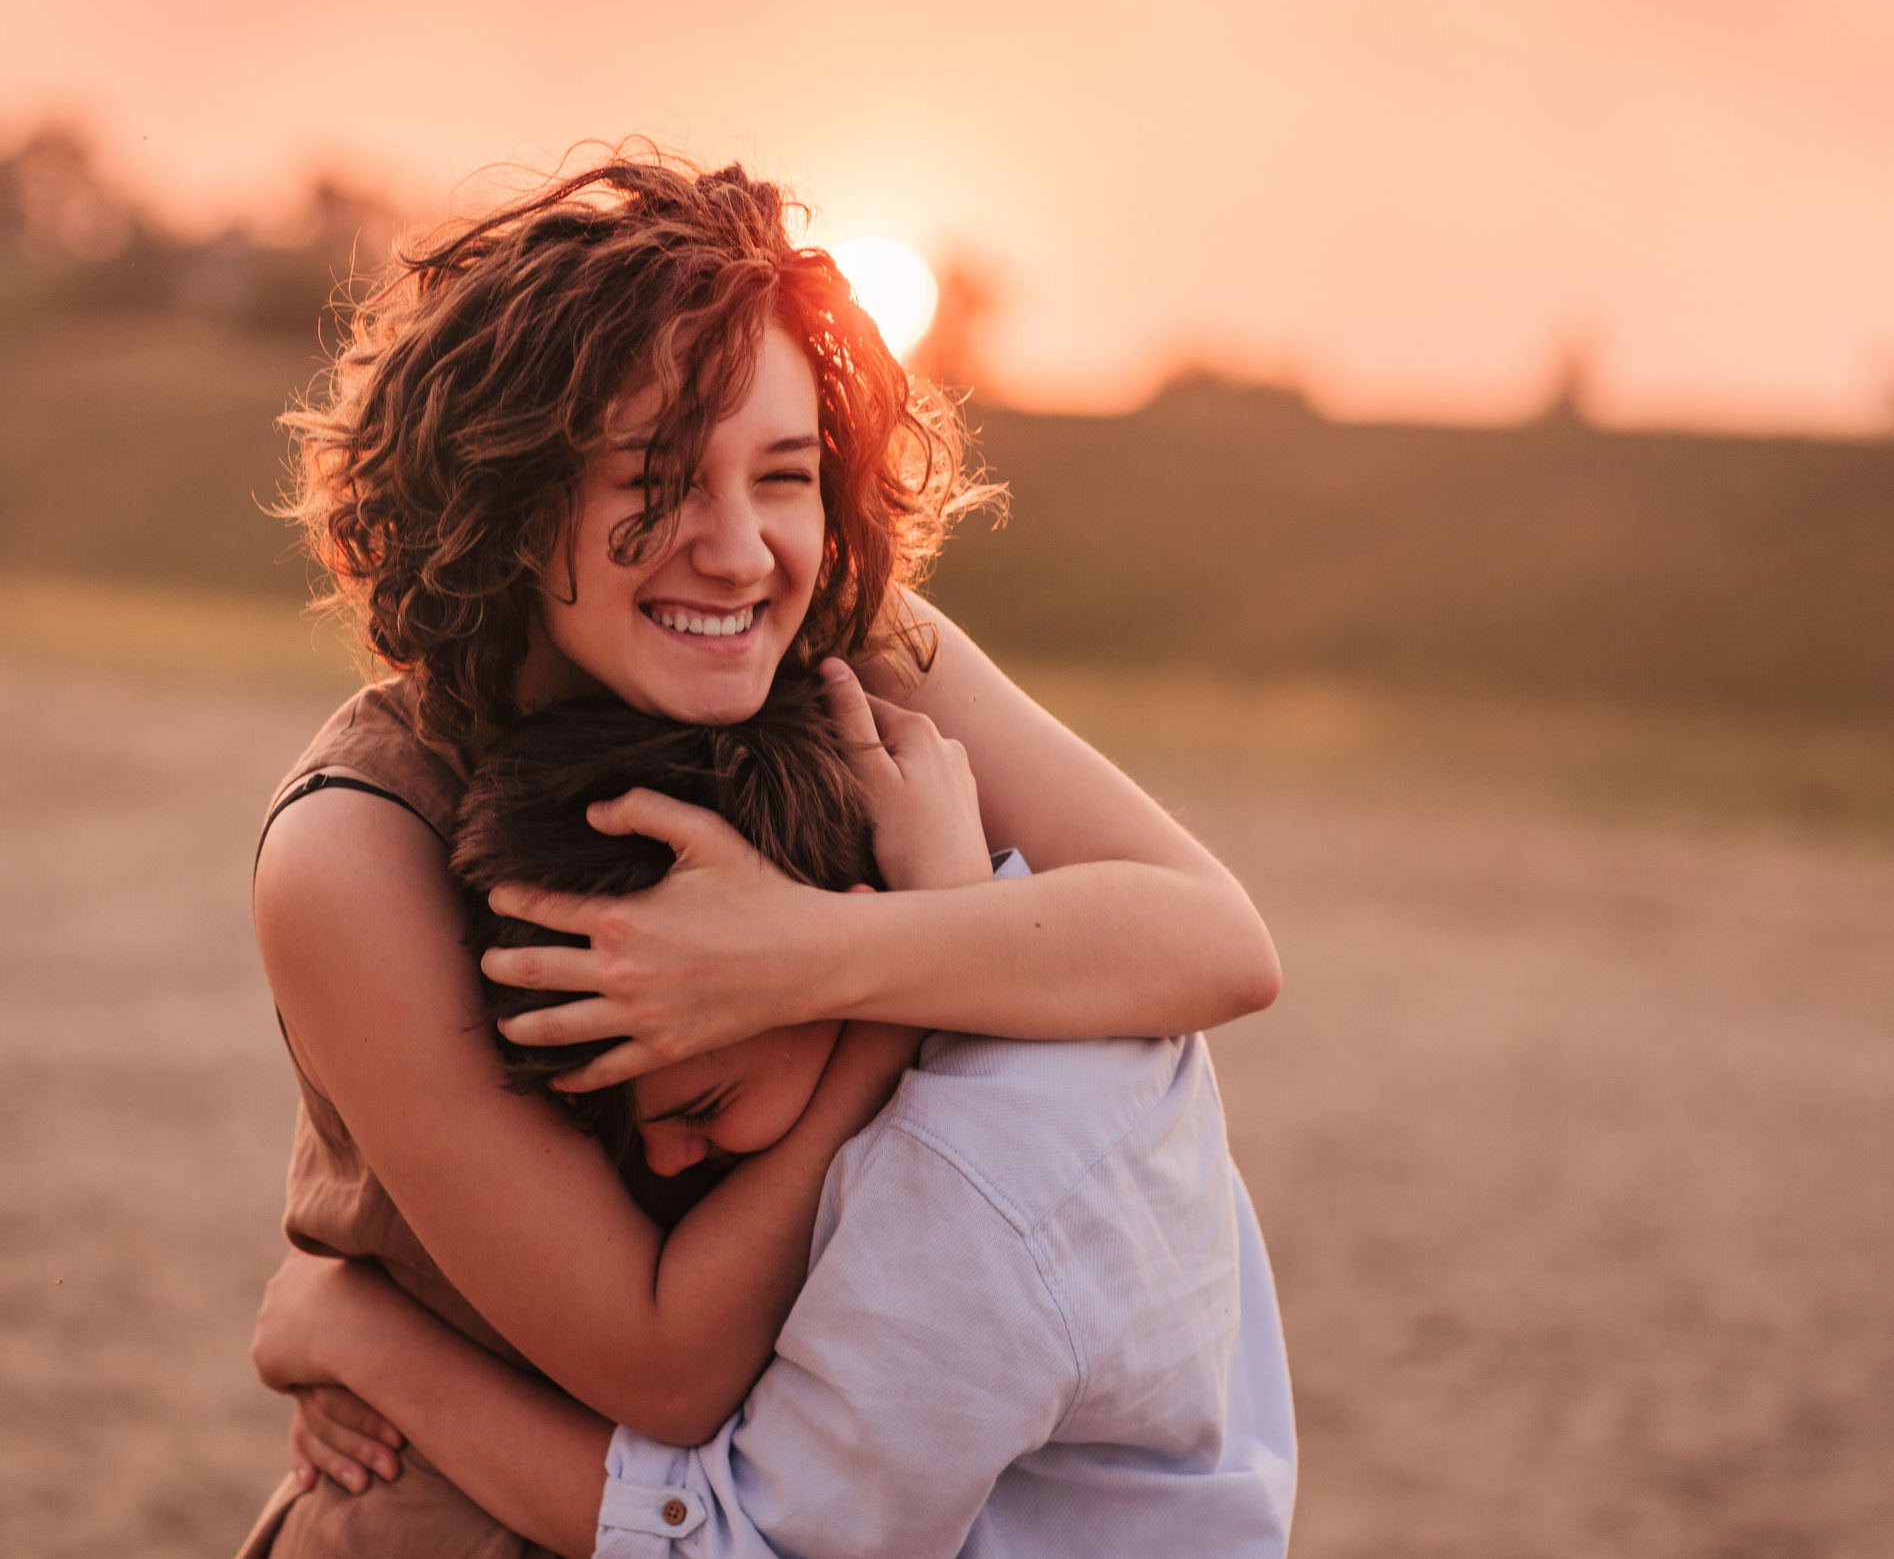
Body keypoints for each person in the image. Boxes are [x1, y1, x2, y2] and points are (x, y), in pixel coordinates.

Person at [239, 154, 1283, 1556]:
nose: (737, 551)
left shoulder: (857, 645)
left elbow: (1215, 942)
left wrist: (817, 956)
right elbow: (662, 1368)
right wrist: (349, 1319)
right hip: (484, 1516)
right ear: (508, 491)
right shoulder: (357, 843)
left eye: (783, 475)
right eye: (658, 481)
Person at [250, 677, 1296, 1558]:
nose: (663, 1160)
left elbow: (737, 1542)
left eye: (699, 1103)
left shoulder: (975, 1182)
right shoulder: (1068, 962)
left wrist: (367, 1338)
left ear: (823, 914)